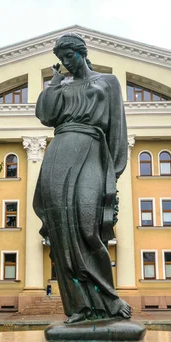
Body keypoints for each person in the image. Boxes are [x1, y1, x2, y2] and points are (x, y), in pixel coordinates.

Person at [33, 32, 132, 324]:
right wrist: (52, 83)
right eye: (61, 59)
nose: (65, 63)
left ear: (83, 53)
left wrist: (113, 171)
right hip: (60, 151)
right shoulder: (59, 85)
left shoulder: (108, 82)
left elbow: (117, 126)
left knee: (89, 227)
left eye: (70, 56)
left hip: (92, 150)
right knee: (61, 229)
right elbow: (45, 115)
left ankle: (108, 300)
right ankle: (79, 307)